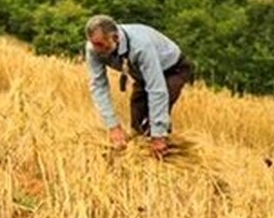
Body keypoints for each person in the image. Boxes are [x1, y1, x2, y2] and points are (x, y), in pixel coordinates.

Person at [84, 15, 196, 158]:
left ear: (115, 38)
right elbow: (98, 86)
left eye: (100, 45)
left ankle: (164, 155)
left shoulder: (141, 46)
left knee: (152, 121)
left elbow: (157, 90)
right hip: (141, 73)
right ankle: (140, 161)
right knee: (137, 120)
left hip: (172, 69)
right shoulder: (93, 48)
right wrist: (113, 126)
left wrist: (158, 135)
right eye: (93, 44)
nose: (96, 49)